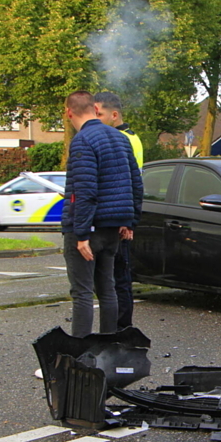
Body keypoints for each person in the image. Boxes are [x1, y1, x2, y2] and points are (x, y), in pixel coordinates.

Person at [61, 90, 143, 337]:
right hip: (113, 231)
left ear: (68, 112)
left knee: (82, 293)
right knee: (107, 289)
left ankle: (80, 356)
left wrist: (81, 233)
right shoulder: (121, 139)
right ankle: (109, 347)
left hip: (88, 229)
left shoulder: (83, 141)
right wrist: (129, 221)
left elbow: (85, 190)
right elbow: (135, 183)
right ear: (95, 110)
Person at [94, 91, 144, 331]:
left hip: (119, 218)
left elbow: (128, 182)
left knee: (119, 278)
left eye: (99, 114)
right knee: (116, 277)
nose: (95, 119)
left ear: (114, 115)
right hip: (121, 214)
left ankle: (121, 330)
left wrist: (127, 219)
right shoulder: (128, 137)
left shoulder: (120, 140)